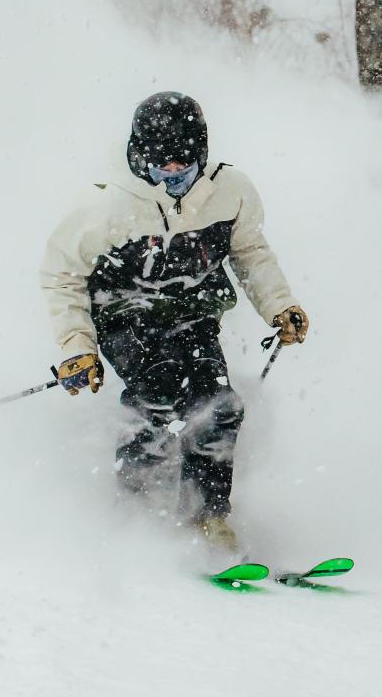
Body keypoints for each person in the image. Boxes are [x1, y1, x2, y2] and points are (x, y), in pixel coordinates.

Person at [40, 92, 308, 550]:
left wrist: (279, 305)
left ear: (200, 156)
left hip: (193, 317)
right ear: (138, 159)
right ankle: (138, 507)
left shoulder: (230, 193)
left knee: (218, 403)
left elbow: (250, 254)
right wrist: (78, 348)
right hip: (125, 316)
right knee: (160, 390)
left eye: (181, 170)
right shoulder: (105, 208)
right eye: (157, 169)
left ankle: (207, 515)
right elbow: (62, 277)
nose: (170, 180)